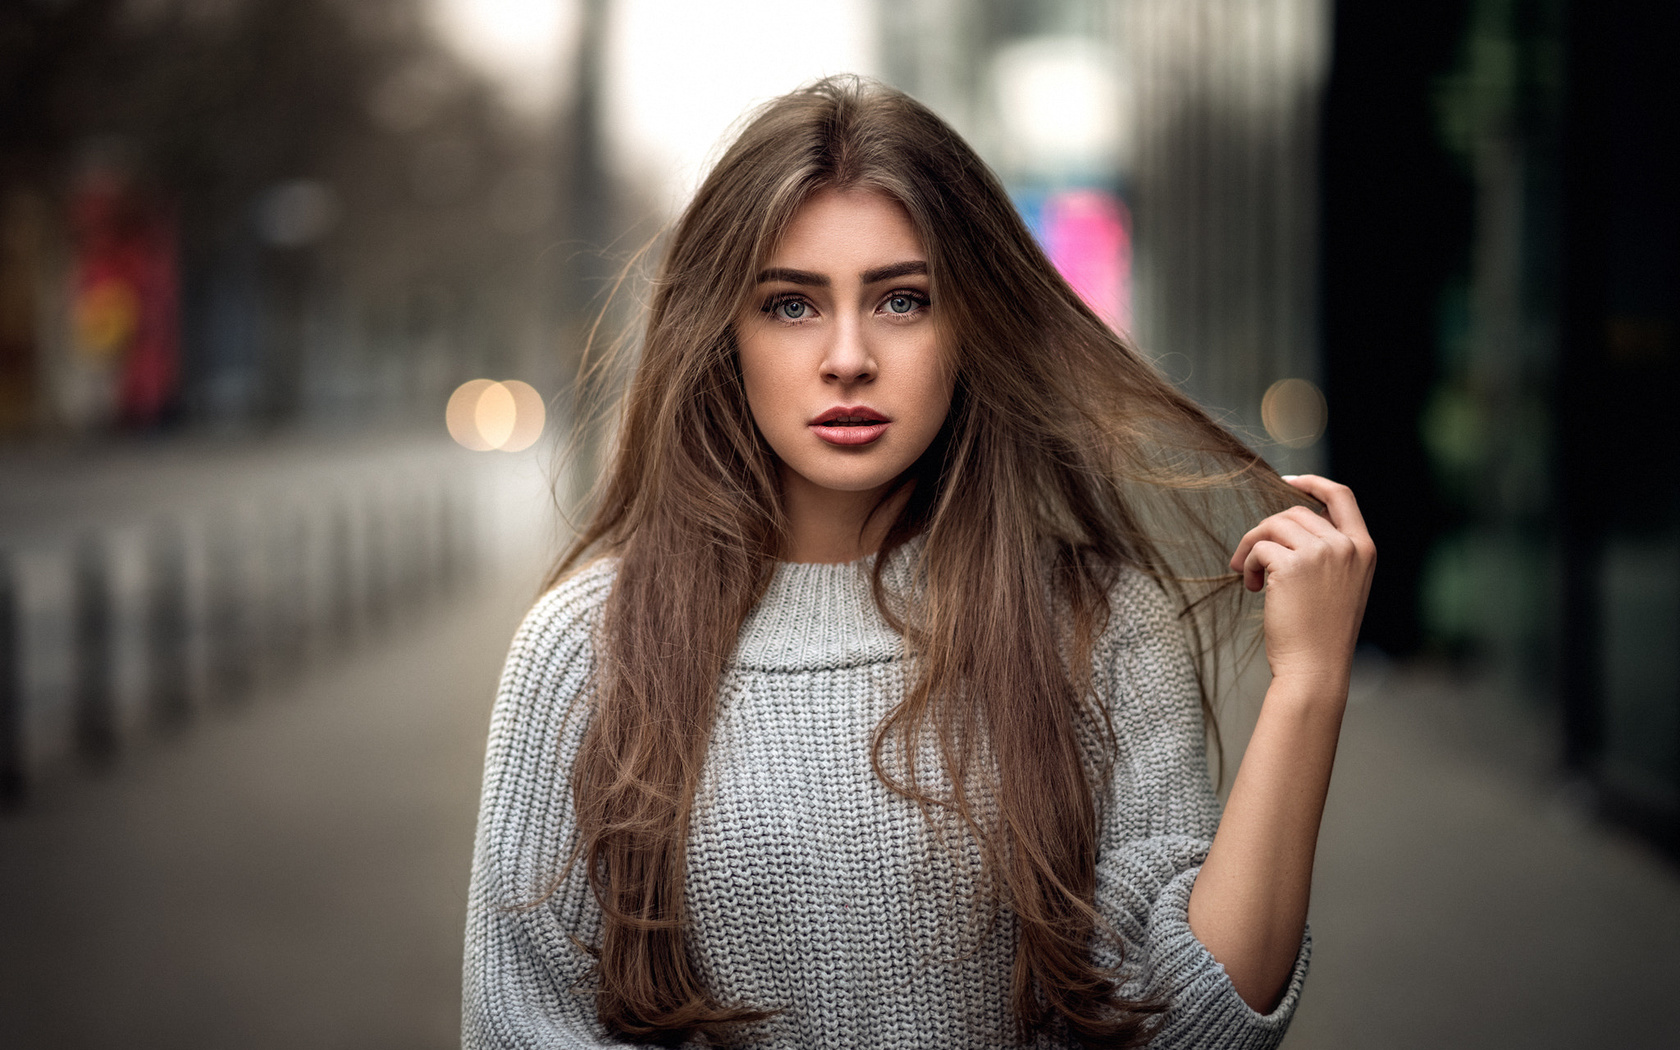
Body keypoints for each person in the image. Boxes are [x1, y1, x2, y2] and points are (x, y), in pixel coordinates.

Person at [463, 77, 1374, 1050]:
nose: (848, 357)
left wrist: (1309, 687)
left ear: (969, 326)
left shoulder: (1101, 625)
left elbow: (1181, 1028)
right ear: (724, 333)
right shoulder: (585, 648)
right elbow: (525, 1025)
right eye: (791, 305)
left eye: (902, 300)